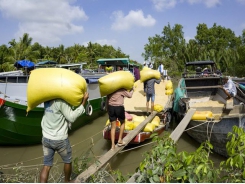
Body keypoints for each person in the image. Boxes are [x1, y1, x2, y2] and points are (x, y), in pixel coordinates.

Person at [39, 92, 89, 183]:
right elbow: (71, 117)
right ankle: (67, 181)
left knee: (46, 165)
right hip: (60, 139)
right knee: (67, 160)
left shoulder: (46, 100)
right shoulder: (60, 102)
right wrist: (83, 102)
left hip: (46, 138)